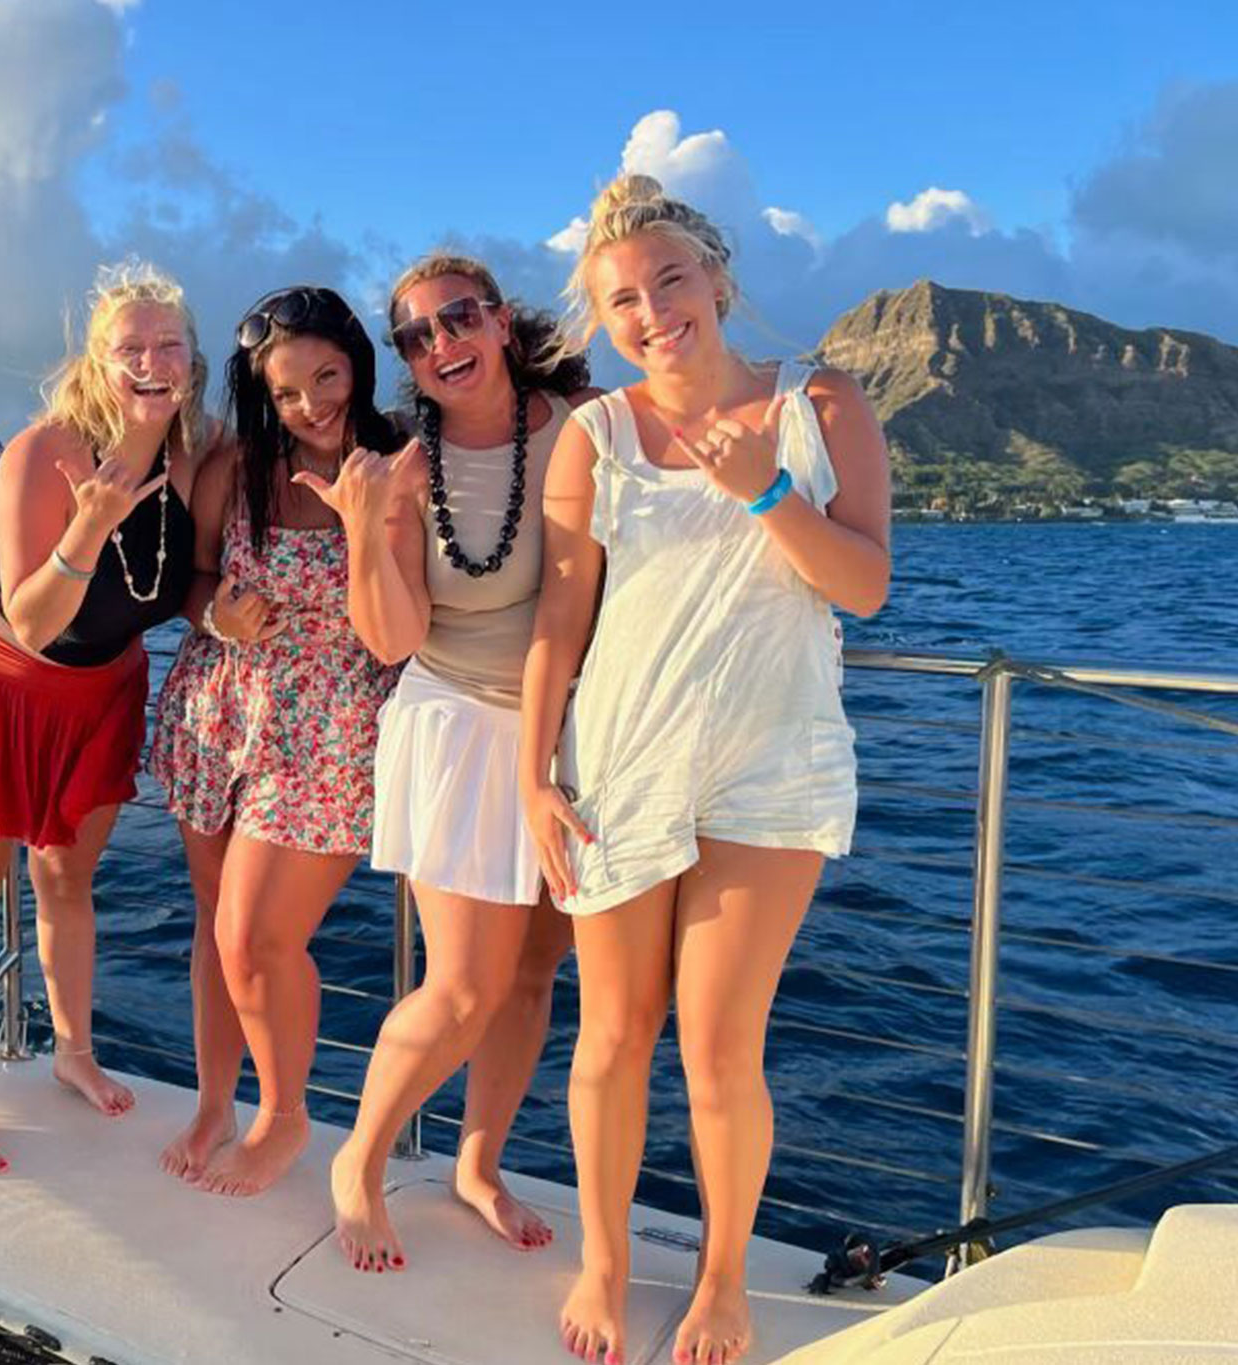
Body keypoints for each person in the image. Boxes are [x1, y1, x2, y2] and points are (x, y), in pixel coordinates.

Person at [519, 174, 890, 1365]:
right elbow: (559, 618)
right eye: (621, 300)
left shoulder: (820, 405)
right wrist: (533, 775)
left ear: (717, 281)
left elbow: (863, 586)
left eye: (669, 280)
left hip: (769, 767)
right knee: (611, 1035)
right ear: (601, 321)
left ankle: (720, 1281)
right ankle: (604, 1261)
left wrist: (764, 490)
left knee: (720, 1044)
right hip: (619, 761)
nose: (651, 312)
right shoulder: (593, 435)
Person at [297, 253, 599, 1270]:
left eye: (458, 317)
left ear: (502, 322)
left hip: (577, 734)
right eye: (416, 336)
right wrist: (365, 529)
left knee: (531, 975)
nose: (441, 343)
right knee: (465, 985)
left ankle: (478, 1164)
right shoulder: (401, 465)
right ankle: (361, 1158)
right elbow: (391, 638)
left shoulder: (582, 426)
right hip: (462, 726)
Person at [0, 261, 215, 1178]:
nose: (150, 362)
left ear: (192, 360)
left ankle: (73, 1050)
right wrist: (89, 523)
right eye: (129, 347)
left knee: (67, 876)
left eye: (169, 345)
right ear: (96, 361)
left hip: (103, 689)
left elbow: (195, 571)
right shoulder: (44, 454)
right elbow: (32, 622)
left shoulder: (196, 453)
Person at [150, 286, 404, 1195]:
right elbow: (192, 577)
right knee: (217, 922)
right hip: (221, 710)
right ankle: (216, 1100)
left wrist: (366, 522)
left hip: (328, 729)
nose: (310, 404)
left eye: (326, 377)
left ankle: (285, 1114)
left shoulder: (398, 463)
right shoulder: (241, 466)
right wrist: (213, 613)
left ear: (357, 364)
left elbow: (398, 628)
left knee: (256, 935)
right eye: (287, 391)